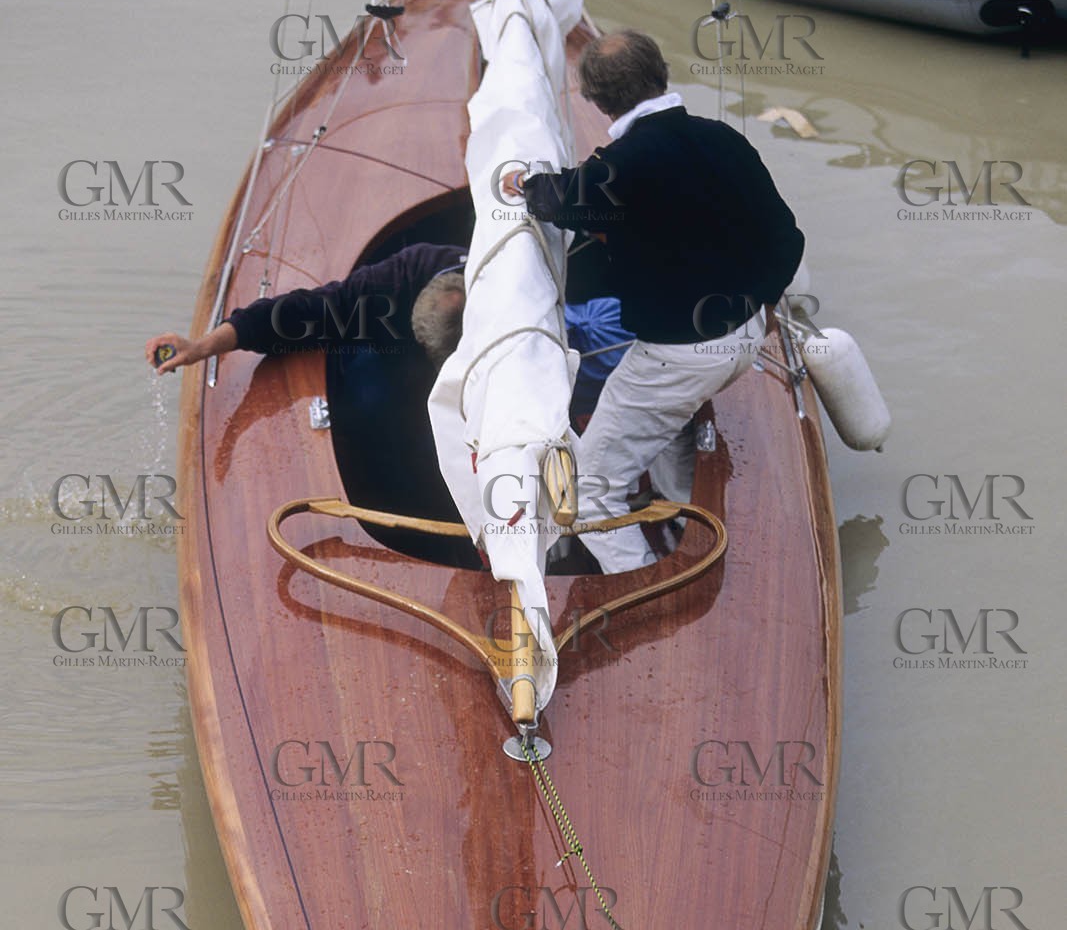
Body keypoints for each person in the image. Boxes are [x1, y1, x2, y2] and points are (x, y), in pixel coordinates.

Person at [509, 29, 805, 573]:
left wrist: (523, 183)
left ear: (595, 101)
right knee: (671, 419)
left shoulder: (621, 168)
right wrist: (760, 306)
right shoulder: (723, 139)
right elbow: (789, 239)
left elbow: (556, 199)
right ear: (662, 75)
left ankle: (645, 588)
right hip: (745, 339)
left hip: (678, 357)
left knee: (587, 492)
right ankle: (681, 514)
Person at [145, 241, 631, 561]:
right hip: (404, 400)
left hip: (514, 384)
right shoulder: (402, 276)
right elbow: (305, 312)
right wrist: (205, 345)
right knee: (363, 381)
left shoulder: (527, 309)